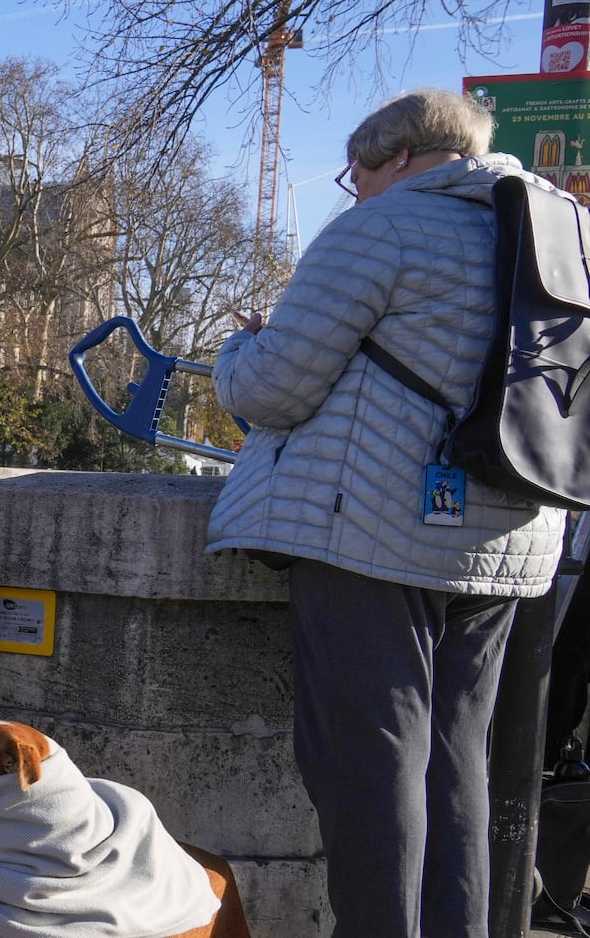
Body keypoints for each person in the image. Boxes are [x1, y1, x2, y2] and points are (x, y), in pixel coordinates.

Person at [204, 88, 569, 936]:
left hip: (376, 531)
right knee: (456, 763)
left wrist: (238, 347)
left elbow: (272, 388)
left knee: (370, 765)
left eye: (356, 171)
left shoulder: (383, 226)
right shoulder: (543, 223)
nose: (353, 187)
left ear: (397, 156)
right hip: (509, 532)